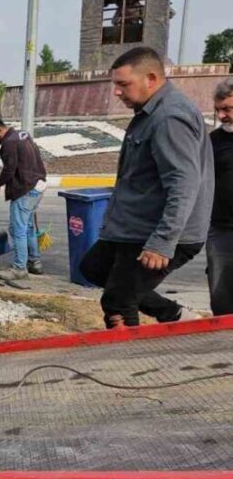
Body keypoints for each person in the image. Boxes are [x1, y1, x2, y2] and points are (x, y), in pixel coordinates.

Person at [79, 46, 214, 329]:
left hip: (156, 233)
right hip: (133, 228)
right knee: (94, 268)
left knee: (118, 302)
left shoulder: (169, 118)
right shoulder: (149, 113)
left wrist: (163, 241)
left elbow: (184, 183)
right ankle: (173, 314)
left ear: (150, 79)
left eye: (123, 84)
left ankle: (130, 365)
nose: (116, 92)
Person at [0, 117, 48, 281]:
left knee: (18, 230)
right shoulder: (22, 134)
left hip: (25, 189)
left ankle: (19, 268)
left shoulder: (8, 143)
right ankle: (34, 262)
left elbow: (9, 171)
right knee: (28, 227)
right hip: (38, 184)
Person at [207, 80, 233, 315]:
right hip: (222, 230)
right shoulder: (211, 142)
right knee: (222, 298)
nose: (222, 115)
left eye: (227, 109)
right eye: (218, 110)